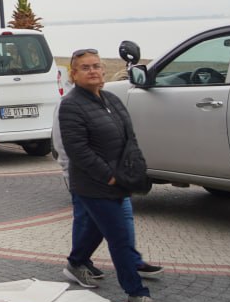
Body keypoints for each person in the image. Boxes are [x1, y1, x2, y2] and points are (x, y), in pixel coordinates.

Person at [58, 49, 162, 302]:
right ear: (74, 74)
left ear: (103, 70)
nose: (92, 71)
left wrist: (135, 165)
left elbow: (129, 137)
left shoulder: (112, 100)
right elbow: (78, 150)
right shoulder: (71, 105)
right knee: (120, 237)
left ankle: (76, 262)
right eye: (85, 67)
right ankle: (136, 293)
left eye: (96, 66)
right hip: (95, 185)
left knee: (96, 229)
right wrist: (109, 175)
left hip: (120, 180)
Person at [52, 105, 163, 283]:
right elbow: (63, 144)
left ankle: (132, 261)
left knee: (124, 215)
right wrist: (69, 170)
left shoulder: (107, 100)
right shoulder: (69, 104)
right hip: (84, 177)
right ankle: (80, 262)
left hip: (113, 175)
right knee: (86, 220)